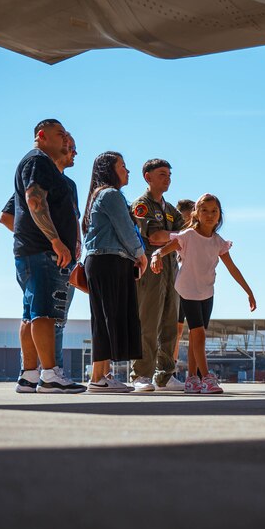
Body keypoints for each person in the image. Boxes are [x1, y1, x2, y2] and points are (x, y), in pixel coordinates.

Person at [150, 193, 255, 394]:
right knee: (199, 334)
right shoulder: (188, 235)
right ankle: (205, 377)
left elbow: (233, 268)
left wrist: (248, 292)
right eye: (205, 210)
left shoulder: (218, 242)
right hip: (187, 289)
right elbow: (164, 249)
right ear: (196, 213)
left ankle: (191, 379)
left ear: (219, 215)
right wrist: (156, 256)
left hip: (206, 291)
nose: (209, 215)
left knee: (197, 337)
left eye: (214, 211)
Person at [11, 119, 85, 393]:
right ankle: (50, 375)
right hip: (42, 253)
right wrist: (55, 240)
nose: (65, 140)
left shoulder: (37, 165)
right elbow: (33, 199)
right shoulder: (38, 161)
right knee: (44, 314)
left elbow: (17, 213)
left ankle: (29, 376)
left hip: (31, 251)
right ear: (41, 136)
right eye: (60, 134)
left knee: (31, 314)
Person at [81, 151, 148, 393]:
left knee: (105, 317)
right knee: (108, 318)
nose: (127, 171)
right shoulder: (110, 194)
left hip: (104, 262)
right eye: (122, 166)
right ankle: (99, 378)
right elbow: (126, 230)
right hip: (109, 261)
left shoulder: (99, 196)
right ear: (110, 169)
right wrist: (141, 255)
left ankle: (102, 375)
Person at [128, 160, 186, 393]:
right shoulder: (142, 205)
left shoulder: (170, 210)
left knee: (170, 324)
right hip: (150, 270)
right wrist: (176, 236)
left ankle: (165, 375)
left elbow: (180, 236)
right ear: (147, 177)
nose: (167, 178)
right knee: (148, 322)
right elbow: (154, 236)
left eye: (169, 174)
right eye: (162, 174)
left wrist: (174, 236)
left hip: (171, 269)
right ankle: (141, 373)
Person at [172, 198, 195, 370]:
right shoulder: (174, 236)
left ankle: (175, 368)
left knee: (182, 330)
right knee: (173, 329)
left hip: (189, 285)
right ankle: (166, 368)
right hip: (172, 283)